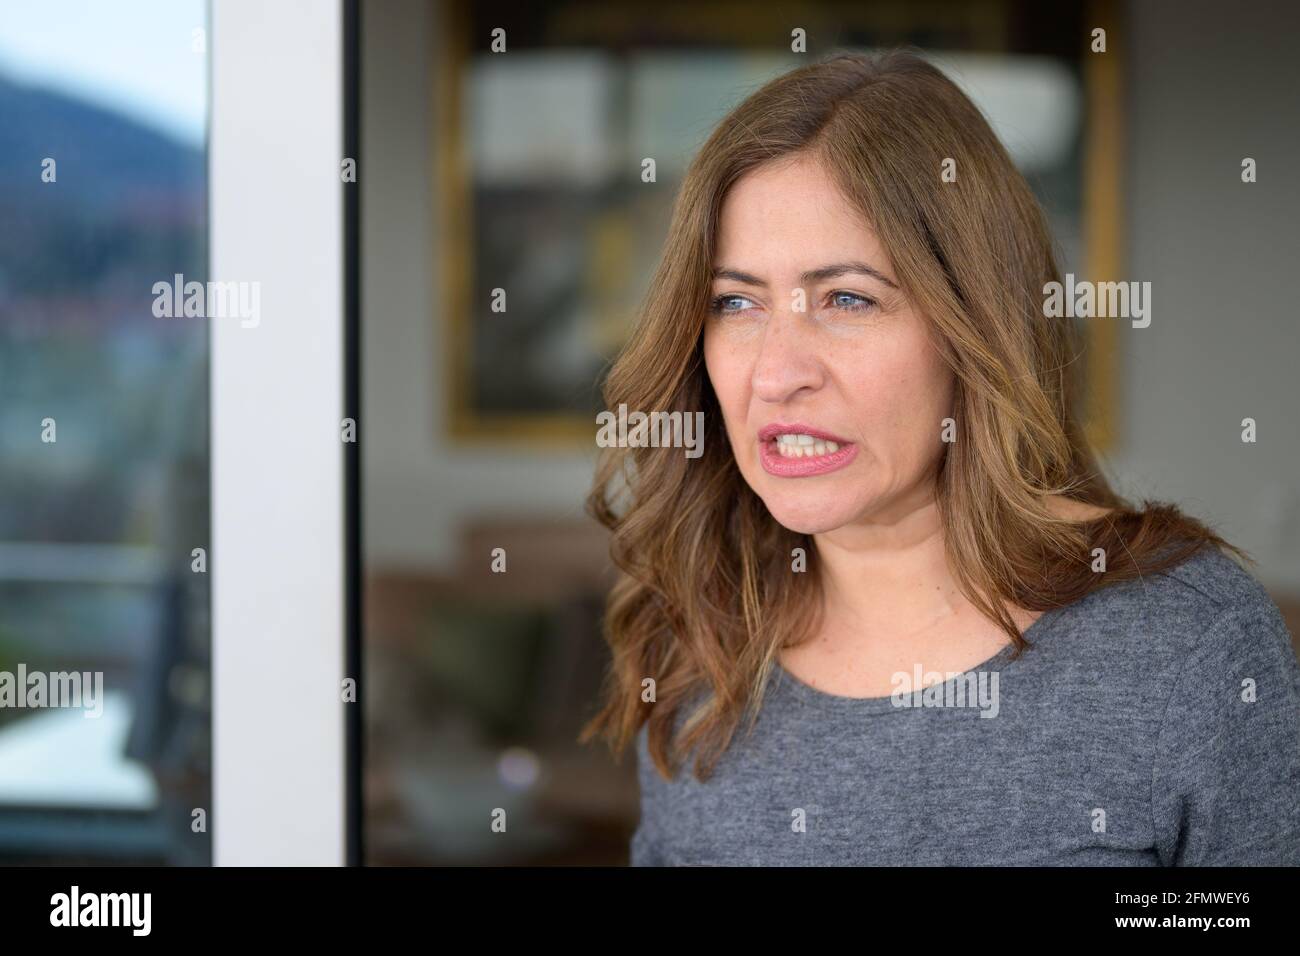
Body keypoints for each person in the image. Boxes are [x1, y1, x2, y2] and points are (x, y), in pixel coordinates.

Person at [580, 49, 1300, 865]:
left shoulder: (1187, 643)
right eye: (735, 302)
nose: (776, 374)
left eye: (847, 298)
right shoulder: (699, 637)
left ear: (976, 327)